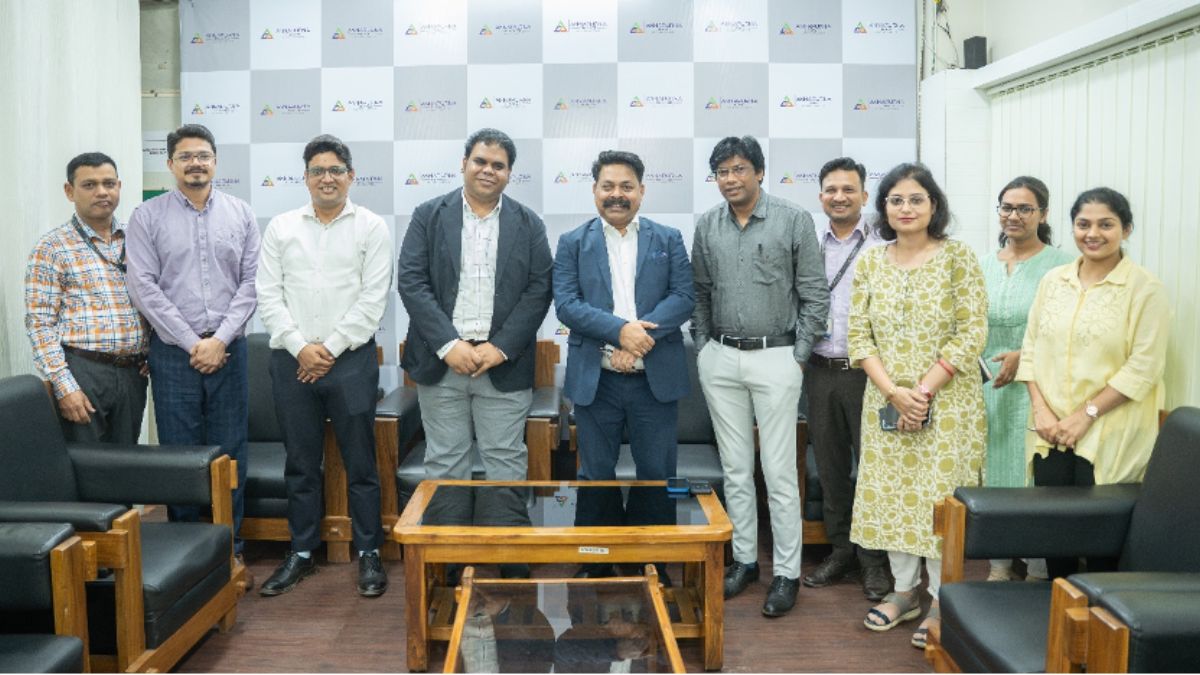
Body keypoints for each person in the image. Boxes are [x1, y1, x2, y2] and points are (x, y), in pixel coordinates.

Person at [396, 128, 553, 576]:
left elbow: (539, 289)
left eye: (498, 165)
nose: (488, 170)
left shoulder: (528, 223)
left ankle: (509, 563)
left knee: (505, 460)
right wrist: (449, 345)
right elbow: (412, 281)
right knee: (446, 460)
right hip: (442, 360)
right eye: (480, 161)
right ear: (464, 163)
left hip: (501, 364)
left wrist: (500, 348)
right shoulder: (429, 215)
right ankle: (449, 566)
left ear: (509, 173)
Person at [848, 162, 987, 649]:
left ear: (934, 206)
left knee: (938, 501)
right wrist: (895, 393)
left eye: (916, 199)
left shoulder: (957, 257)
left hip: (947, 404)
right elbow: (858, 337)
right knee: (893, 496)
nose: (905, 208)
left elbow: (972, 331)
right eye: (896, 200)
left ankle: (943, 600)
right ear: (884, 208)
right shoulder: (870, 262)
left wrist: (922, 393)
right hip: (886, 399)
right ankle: (904, 592)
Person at [691, 135, 829, 617]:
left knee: (779, 472)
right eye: (722, 172)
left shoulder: (793, 219)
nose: (730, 179)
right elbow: (700, 292)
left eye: (739, 169)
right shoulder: (708, 224)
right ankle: (745, 561)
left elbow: (814, 294)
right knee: (735, 469)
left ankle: (786, 573)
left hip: (777, 356)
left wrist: (799, 355)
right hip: (721, 358)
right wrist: (704, 347)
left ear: (759, 172)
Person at [256, 135, 393, 597]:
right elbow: (268, 295)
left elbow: (373, 299)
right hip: (291, 362)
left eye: (335, 170)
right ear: (306, 178)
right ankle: (301, 552)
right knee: (300, 463)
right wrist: (301, 348)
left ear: (351, 176)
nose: (327, 178)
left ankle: (369, 551)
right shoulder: (281, 227)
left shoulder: (371, 227)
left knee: (361, 463)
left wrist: (327, 349)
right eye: (318, 171)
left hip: (350, 360)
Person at [126, 124, 259, 579]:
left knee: (230, 452)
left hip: (229, 351)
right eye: (185, 156)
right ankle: (187, 556)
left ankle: (231, 547)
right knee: (179, 455)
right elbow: (144, 287)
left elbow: (251, 283)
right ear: (170, 164)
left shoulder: (241, 213)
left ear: (215, 161)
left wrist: (219, 340)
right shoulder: (146, 216)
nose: (195, 163)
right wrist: (192, 343)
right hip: (172, 354)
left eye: (203, 155)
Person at [554, 150, 695, 577]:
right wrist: (621, 332)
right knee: (595, 473)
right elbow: (567, 305)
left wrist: (638, 342)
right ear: (595, 191)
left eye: (626, 187)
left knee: (658, 473)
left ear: (642, 191)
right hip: (597, 379)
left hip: (655, 379)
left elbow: (683, 298)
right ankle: (596, 560)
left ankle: (650, 561)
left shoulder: (668, 238)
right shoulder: (572, 242)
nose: (617, 194)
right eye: (608, 186)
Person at [1017, 187, 1169, 579]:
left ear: (1126, 229)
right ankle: (1056, 611)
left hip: (1110, 432)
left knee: (1101, 543)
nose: (1093, 233)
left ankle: (1099, 618)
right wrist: (1041, 411)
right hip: (1050, 431)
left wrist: (1086, 415)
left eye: (1106, 225)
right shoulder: (1054, 281)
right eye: (1083, 224)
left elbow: (1144, 366)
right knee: (1055, 535)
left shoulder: (1144, 288)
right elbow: (1030, 348)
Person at [800, 157, 890, 601]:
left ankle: (874, 561)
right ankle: (840, 551)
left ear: (864, 195)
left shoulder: (884, 246)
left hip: (868, 374)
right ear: (820, 197)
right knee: (831, 467)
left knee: (873, 468)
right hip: (819, 371)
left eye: (848, 190)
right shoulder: (809, 246)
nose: (839, 197)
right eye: (831, 190)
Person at [979, 176, 1074, 582]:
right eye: (1006, 207)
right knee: (992, 474)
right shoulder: (983, 263)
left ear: (1043, 214)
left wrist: (1024, 356)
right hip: (988, 387)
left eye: (1024, 208)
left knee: (1032, 475)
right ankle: (998, 564)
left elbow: (1068, 330)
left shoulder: (1063, 266)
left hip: (1039, 387)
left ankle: (1037, 568)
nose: (1013, 216)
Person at [25, 152, 149, 443]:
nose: (102, 192)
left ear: (119, 186)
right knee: (86, 462)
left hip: (133, 373)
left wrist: (151, 350)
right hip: (83, 372)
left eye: (109, 183)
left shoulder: (138, 239)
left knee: (127, 460)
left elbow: (155, 300)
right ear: (70, 191)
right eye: (89, 185)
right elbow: (39, 324)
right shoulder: (52, 247)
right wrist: (64, 386)